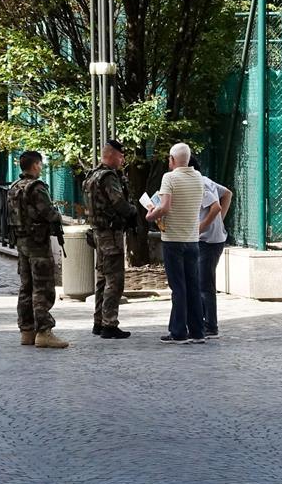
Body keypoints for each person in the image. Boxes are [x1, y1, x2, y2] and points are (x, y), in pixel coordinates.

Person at [145, 142, 205, 345]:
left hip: (173, 240)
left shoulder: (169, 178)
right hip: (192, 240)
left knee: (178, 287)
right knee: (193, 286)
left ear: (172, 160)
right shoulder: (198, 177)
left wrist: (151, 215)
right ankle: (197, 331)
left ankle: (178, 331)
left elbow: (165, 207)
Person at [7, 151, 69, 349]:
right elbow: (48, 213)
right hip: (37, 243)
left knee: (26, 286)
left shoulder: (14, 188)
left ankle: (27, 330)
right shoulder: (37, 187)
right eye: (40, 164)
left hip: (21, 241)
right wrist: (57, 217)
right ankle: (44, 331)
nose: (41, 168)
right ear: (35, 165)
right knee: (42, 287)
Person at [83, 140, 138, 339]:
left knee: (102, 278)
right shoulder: (108, 177)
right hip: (110, 234)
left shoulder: (92, 175)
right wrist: (133, 212)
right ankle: (109, 324)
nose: (123, 160)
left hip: (98, 232)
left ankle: (99, 322)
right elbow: (119, 203)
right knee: (115, 280)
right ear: (112, 155)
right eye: (121, 156)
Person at [190, 156, 232, 339]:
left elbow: (215, 206)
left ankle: (210, 326)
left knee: (204, 284)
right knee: (202, 281)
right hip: (211, 239)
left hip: (208, 240)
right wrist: (218, 222)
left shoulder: (201, 183)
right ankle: (205, 322)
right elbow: (227, 193)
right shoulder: (206, 181)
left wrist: (206, 225)